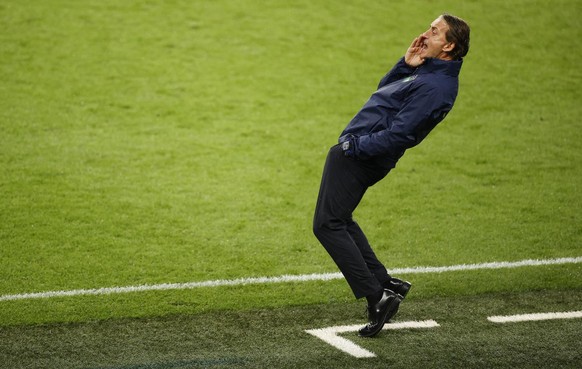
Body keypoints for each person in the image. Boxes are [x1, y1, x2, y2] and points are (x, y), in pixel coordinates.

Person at [313, 14, 470, 338]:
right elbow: (384, 95)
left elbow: (402, 134)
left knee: (327, 225)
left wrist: (352, 147)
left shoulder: (437, 88)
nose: (426, 34)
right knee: (339, 219)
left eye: (435, 31)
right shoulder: (427, 72)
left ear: (449, 46)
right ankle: (385, 283)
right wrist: (405, 64)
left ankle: (378, 297)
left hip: (361, 156)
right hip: (358, 151)